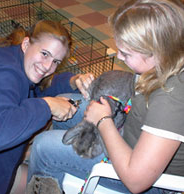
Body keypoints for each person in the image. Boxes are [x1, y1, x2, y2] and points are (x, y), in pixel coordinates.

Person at [27, 0, 184, 193]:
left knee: (43, 148)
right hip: (131, 134)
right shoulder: (163, 64)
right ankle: (55, 172)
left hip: (146, 178)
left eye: (126, 53)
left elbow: (136, 181)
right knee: (65, 103)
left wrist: (103, 120)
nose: (118, 57)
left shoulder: (171, 100)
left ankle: (47, 168)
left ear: (156, 52)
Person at [0, 20, 94, 194]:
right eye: (44, 54)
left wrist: (71, 81)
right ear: (26, 44)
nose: (48, 67)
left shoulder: (14, 60)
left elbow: (38, 89)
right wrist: (47, 106)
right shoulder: (3, 74)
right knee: (44, 178)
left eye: (56, 61)